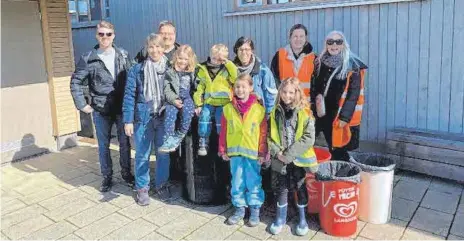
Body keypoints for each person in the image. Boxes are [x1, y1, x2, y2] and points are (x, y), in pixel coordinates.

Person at [70, 20, 134, 192]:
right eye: (101, 34)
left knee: (124, 144)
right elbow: (75, 81)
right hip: (100, 109)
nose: (105, 37)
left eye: (108, 34)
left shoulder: (123, 55)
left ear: (114, 35)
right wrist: (82, 105)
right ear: (96, 35)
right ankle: (107, 177)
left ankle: (127, 174)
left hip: (121, 107)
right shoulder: (89, 58)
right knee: (103, 146)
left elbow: (134, 78)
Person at [122, 33, 171, 205]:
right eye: (151, 46)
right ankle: (142, 188)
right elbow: (129, 95)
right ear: (146, 48)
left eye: (158, 46)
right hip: (143, 118)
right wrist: (128, 120)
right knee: (142, 154)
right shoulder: (137, 70)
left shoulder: (170, 68)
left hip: (163, 117)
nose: (155, 50)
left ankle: (161, 185)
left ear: (163, 48)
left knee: (163, 154)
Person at [268, 77, 318, 236]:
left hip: (298, 160)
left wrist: (288, 155)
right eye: (284, 91)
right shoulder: (275, 112)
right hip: (280, 159)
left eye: (291, 92)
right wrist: (277, 152)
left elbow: (308, 138)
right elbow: (269, 136)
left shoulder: (305, 112)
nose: (287, 95)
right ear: (280, 92)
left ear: (297, 93)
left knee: (300, 187)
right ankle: (280, 218)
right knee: (281, 188)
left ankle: (302, 219)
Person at [218, 73, 268, 227]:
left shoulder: (259, 110)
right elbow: (223, 131)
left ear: (251, 88)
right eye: (237, 87)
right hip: (235, 154)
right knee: (237, 181)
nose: (240, 90)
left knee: (253, 181)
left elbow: (263, 133)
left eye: (243, 87)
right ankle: (239, 209)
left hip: (253, 154)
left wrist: (262, 152)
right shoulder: (227, 109)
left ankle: (254, 209)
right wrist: (222, 149)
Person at [312, 30, 367, 161]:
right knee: (310, 142)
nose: (334, 45)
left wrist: (344, 118)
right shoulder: (320, 62)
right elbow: (315, 85)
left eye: (338, 41)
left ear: (343, 44)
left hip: (338, 115)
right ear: (326, 44)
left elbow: (353, 95)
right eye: (330, 42)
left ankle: (343, 174)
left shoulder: (352, 65)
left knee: (338, 148)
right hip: (321, 113)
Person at [193, 44, 238, 156]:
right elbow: (199, 88)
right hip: (209, 102)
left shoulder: (227, 69)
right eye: (214, 58)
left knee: (221, 121)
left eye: (220, 59)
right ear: (210, 56)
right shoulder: (203, 69)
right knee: (204, 117)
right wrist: (198, 104)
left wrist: (228, 63)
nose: (217, 61)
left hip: (223, 103)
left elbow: (236, 76)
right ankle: (203, 140)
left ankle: (222, 142)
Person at [159, 45, 198, 152]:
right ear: (176, 58)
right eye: (180, 58)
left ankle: (180, 134)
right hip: (174, 98)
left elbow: (197, 88)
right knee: (170, 112)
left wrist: (198, 104)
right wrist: (173, 100)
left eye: (186, 59)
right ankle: (169, 138)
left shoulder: (193, 71)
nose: (183, 61)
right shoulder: (170, 72)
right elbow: (167, 89)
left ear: (190, 60)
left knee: (188, 111)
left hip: (187, 97)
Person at [233, 37, 277, 115]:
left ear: (252, 51)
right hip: (237, 116)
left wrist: (269, 116)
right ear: (236, 51)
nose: (244, 52)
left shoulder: (263, 70)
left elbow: (271, 96)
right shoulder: (231, 70)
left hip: (257, 117)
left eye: (247, 49)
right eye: (241, 49)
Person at [270, 24, 316, 99]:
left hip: (306, 105)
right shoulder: (279, 55)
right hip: (286, 103)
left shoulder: (313, 58)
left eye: (301, 36)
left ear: (306, 38)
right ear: (290, 38)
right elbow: (273, 81)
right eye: (295, 36)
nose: (298, 39)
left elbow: (316, 86)